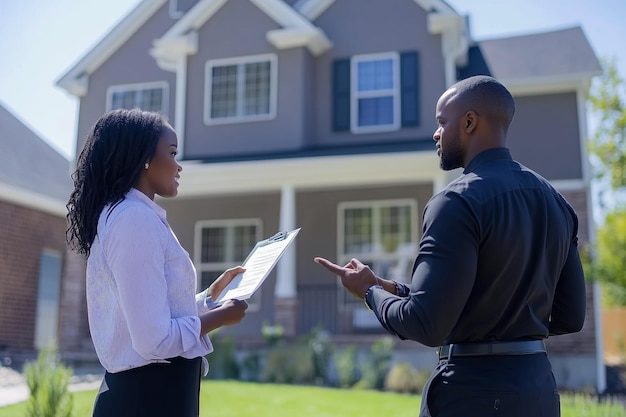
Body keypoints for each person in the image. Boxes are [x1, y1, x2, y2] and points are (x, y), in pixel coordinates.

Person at [315, 75, 586, 417]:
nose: (436, 133)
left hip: (470, 395)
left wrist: (369, 290)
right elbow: (571, 317)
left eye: (442, 122)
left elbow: (426, 324)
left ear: (470, 122)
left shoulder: (456, 202)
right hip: (538, 392)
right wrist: (396, 289)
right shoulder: (558, 204)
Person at [66, 108, 248, 417]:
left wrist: (209, 299)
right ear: (144, 159)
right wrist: (220, 318)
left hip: (149, 396)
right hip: (147, 400)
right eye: (173, 153)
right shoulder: (133, 220)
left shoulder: (132, 216)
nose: (179, 166)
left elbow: (149, 314)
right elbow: (154, 340)